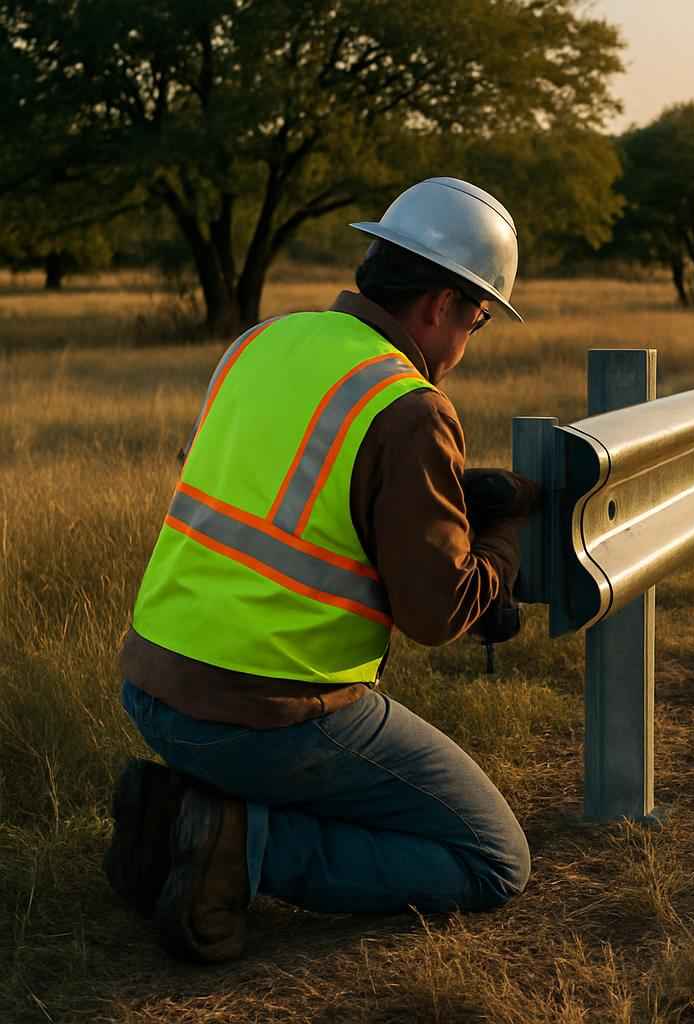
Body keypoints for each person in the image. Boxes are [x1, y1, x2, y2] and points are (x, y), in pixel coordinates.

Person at [104, 177, 540, 964]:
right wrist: (504, 547)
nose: (467, 343)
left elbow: (286, 496)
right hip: (264, 718)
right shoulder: (410, 406)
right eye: (477, 319)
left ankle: (181, 816)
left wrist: (438, 502)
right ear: (440, 305)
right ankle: (236, 848)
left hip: (152, 685)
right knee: (493, 859)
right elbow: (438, 616)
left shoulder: (261, 342)